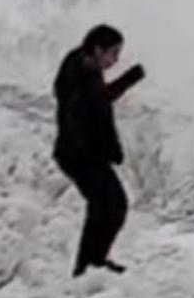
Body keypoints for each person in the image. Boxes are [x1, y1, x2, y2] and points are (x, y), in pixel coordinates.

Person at [52, 24, 146, 277]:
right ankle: (88, 266)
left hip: (84, 154)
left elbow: (99, 100)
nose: (115, 60)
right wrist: (102, 150)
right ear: (97, 49)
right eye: (113, 53)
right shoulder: (79, 79)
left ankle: (92, 263)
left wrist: (128, 79)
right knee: (110, 205)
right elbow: (85, 114)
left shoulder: (85, 70)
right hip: (80, 155)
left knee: (109, 206)